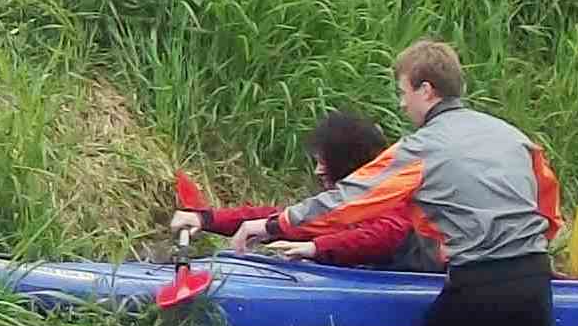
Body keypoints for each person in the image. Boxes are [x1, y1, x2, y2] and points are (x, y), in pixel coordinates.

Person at [232, 40, 562, 326]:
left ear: (427, 91)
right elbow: (547, 206)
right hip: (535, 287)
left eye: (403, 92)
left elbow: (349, 200)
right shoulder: (515, 137)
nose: (402, 104)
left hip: (479, 286)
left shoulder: (422, 149)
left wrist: (271, 225)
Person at [175, 111, 426, 267]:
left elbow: (383, 235)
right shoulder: (346, 206)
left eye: (323, 163)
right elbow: (284, 216)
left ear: (348, 163)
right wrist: (205, 218)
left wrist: (315, 248)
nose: (317, 171)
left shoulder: (394, 199)